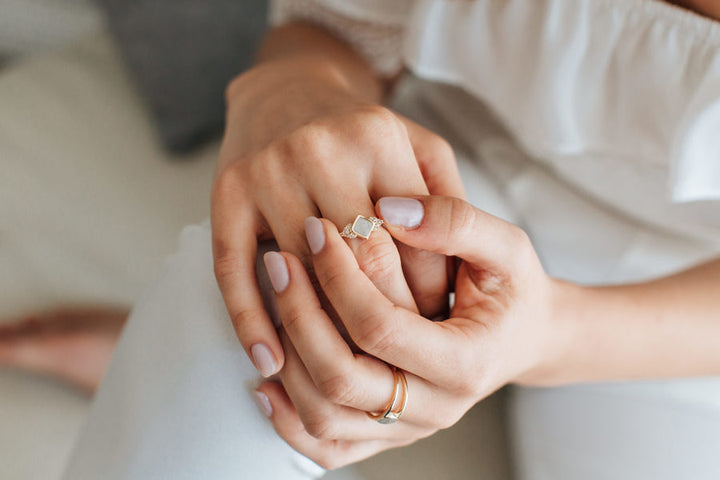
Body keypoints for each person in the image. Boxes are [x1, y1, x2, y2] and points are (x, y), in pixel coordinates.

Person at [3, 0, 720, 478]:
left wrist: (547, 338)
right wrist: (295, 86)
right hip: (443, 167)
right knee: (252, 314)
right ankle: (178, 357)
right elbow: (338, 26)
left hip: (680, 335)